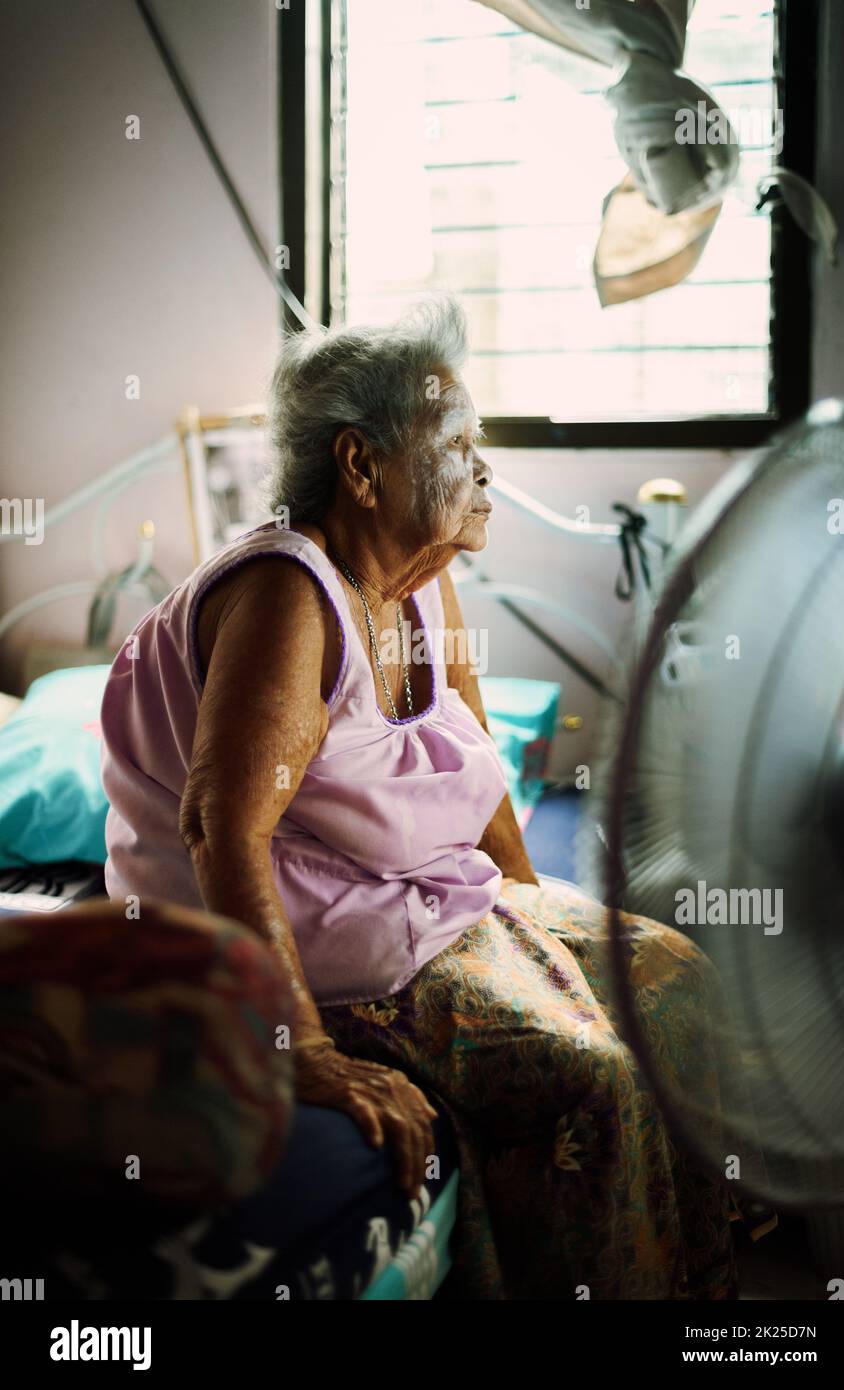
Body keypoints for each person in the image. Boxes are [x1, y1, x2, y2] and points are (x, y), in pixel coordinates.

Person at [101, 298, 736, 1299]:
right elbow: (221, 826)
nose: (486, 470)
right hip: (293, 936)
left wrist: (526, 900)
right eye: (458, 443)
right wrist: (299, 1049)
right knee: (595, 1079)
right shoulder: (287, 594)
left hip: (418, 893)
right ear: (360, 466)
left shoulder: (420, 584)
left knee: (680, 982)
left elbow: (473, 756)